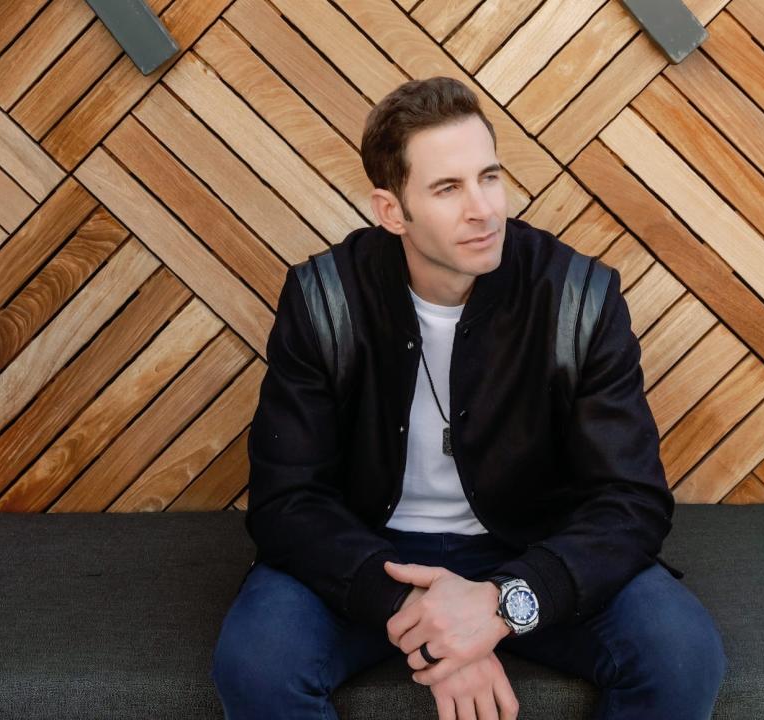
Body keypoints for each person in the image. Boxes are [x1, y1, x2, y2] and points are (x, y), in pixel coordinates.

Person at [210, 75, 727, 720]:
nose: (484, 208)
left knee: (681, 655)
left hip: (532, 546)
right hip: (366, 550)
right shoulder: (324, 299)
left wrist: (503, 601)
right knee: (256, 665)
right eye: (448, 188)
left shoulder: (577, 296)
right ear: (391, 210)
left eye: (490, 177)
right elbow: (288, 499)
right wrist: (423, 617)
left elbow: (631, 499)